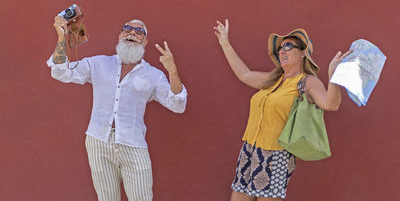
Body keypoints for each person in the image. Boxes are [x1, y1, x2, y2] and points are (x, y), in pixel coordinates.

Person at [47, 16, 188, 201]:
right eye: (127, 29)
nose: (132, 33)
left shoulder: (153, 75)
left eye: (139, 32)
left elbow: (178, 104)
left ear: (145, 41)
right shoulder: (99, 64)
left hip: (133, 143)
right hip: (98, 141)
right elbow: (61, 72)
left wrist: (173, 71)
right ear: (120, 35)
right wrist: (61, 38)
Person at [213, 19, 351, 201]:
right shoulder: (273, 79)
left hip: (276, 154)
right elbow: (244, 74)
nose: (282, 50)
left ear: (303, 53)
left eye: (288, 46)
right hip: (249, 148)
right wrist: (225, 43)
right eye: (280, 48)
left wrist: (333, 76)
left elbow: (331, 104)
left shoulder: (307, 81)